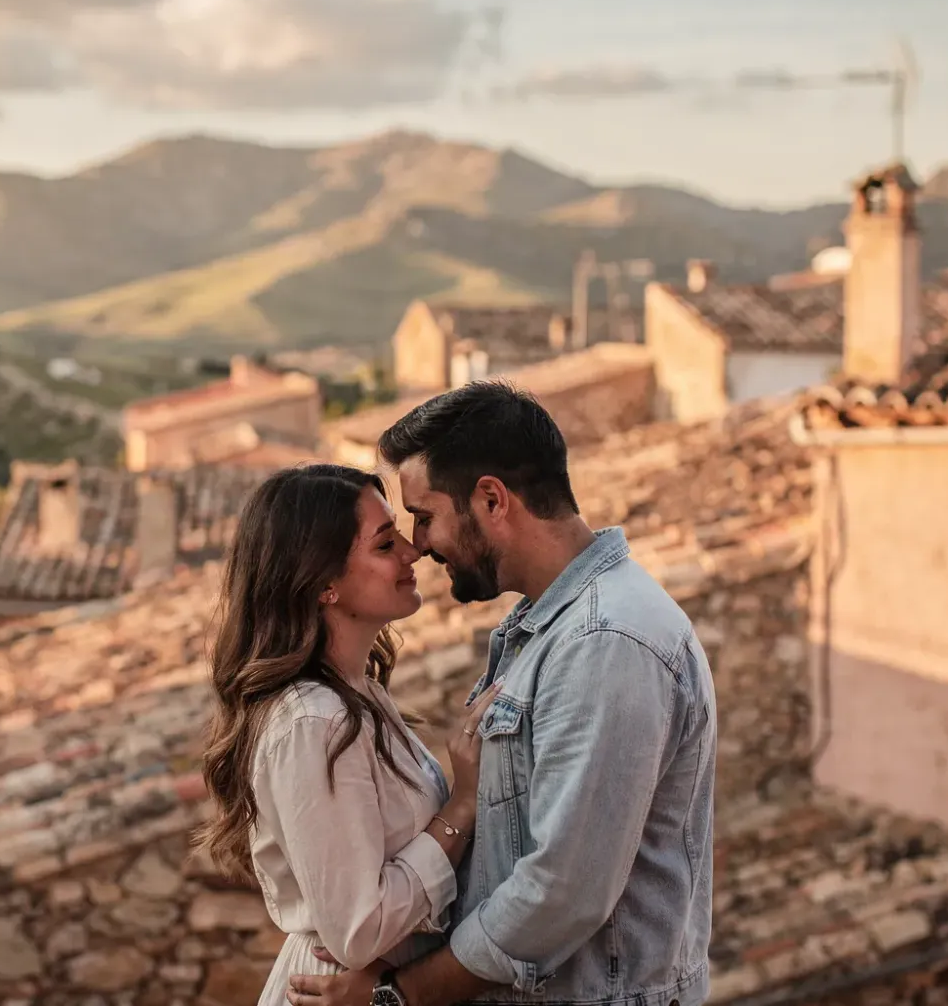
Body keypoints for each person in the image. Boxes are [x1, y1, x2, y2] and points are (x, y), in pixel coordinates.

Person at [287, 382, 717, 1006]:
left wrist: (396, 995)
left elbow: (560, 892)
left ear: (491, 499)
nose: (421, 545)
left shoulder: (605, 642)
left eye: (426, 516)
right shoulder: (549, 627)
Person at [198, 463, 497, 1006]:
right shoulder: (316, 723)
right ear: (323, 583)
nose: (413, 552)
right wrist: (461, 808)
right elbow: (360, 930)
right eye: (385, 544)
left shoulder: (356, 696)